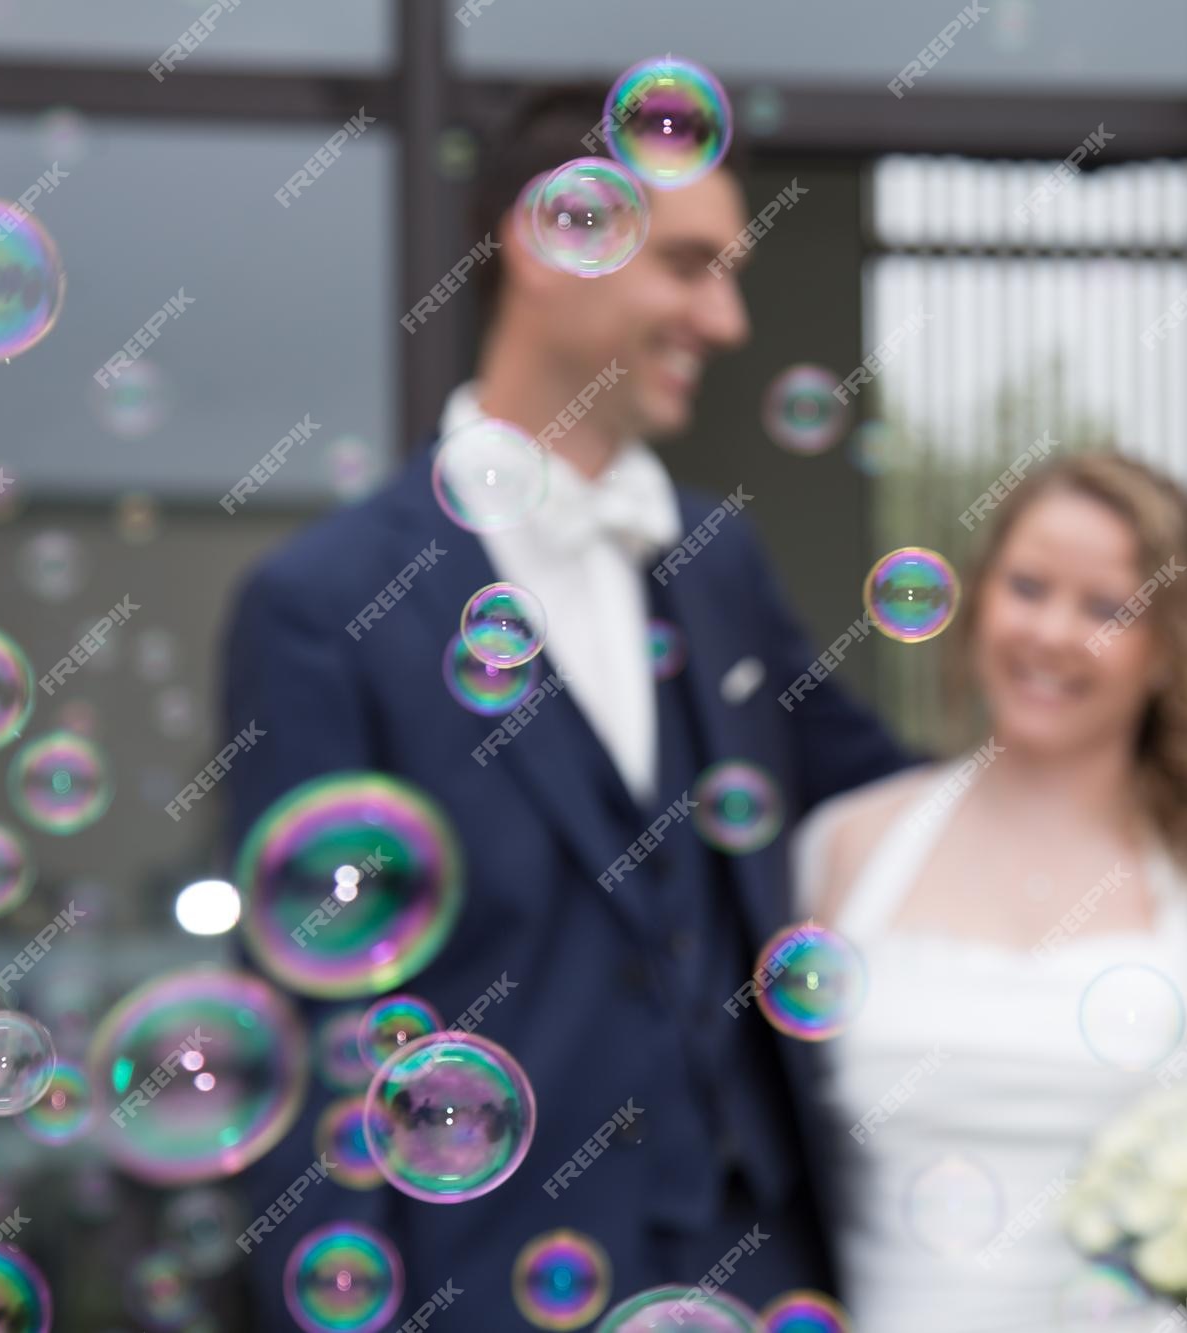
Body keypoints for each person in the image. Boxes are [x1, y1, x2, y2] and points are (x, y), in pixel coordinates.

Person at [221, 87, 908, 1324]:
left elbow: (890, 796)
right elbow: (315, 1038)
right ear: (552, 238)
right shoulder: (325, 605)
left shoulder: (718, 562)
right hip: (476, 1289)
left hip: (754, 1278)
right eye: (692, 267)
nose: (728, 318)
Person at [795, 453, 1187, 1332]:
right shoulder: (847, 849)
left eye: (1107, 607)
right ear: (979, 600)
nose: (1053, 633)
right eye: (1028, 587)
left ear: (1169, 650)